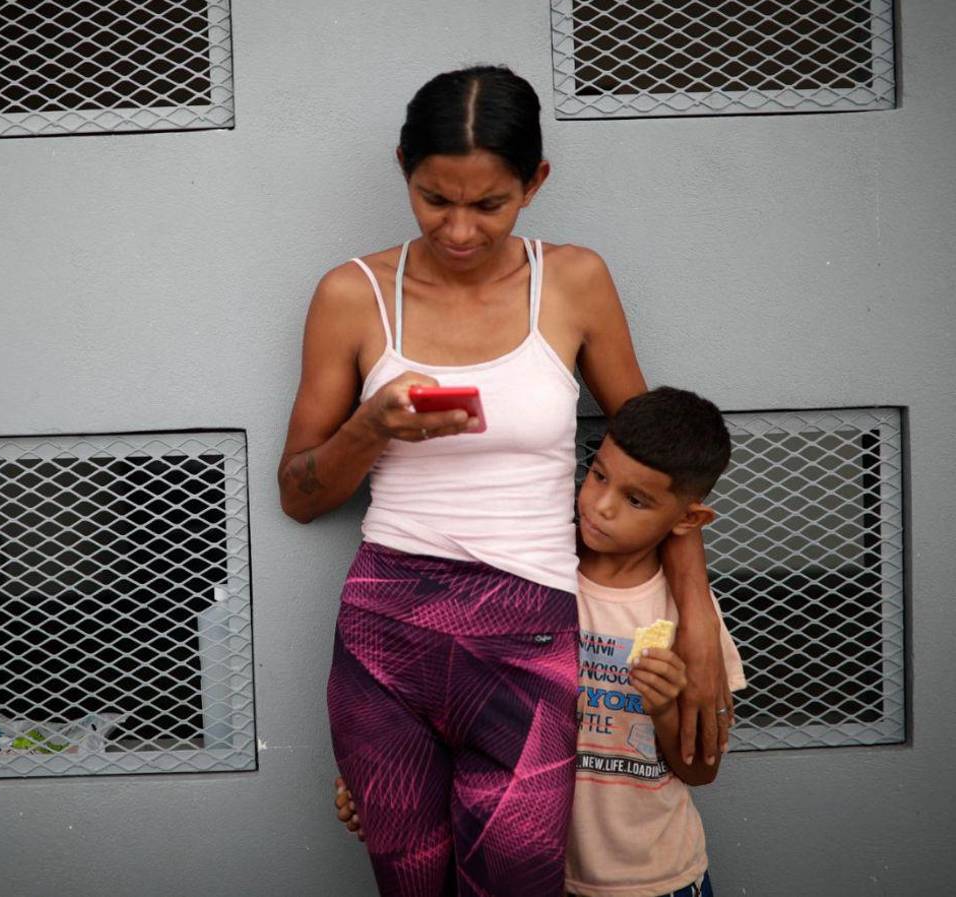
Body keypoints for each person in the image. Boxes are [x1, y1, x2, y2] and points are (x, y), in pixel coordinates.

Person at [278, 66, 731, 897]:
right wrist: (372, 424)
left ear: (535, 183)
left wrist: (695, 615)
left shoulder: (575, 282)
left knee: (515, 881)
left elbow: (660, 465)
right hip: (386, 629)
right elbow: (300, 495)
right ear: (403, 169)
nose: (457, 229)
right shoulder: (353, 295)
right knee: (410, 883)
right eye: (432, 198)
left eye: (488, 204)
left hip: (528, 627)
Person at [336, 387, 747, 897]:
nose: (601, 506)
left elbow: (700, 771)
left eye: (635, 500)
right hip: (528, 874)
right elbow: (452, 715)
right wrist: (391, 781)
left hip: (654, 880)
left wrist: (665, 709)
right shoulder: (534, 580)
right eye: (598, 475)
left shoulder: (688, 622)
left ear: (688, 520)